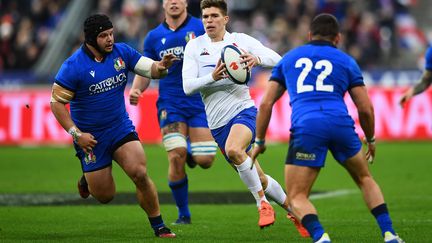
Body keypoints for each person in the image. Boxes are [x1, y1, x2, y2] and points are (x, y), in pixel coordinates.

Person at [251, 13, 404, 243]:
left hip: (307, 127)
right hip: (340, 124)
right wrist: (370, 139)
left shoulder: (290, 59)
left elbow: (265, 103)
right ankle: (390, 234)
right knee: (365, 178)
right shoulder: (346, 61)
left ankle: (321, 237)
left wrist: (260, 141)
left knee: (297, 196)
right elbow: (365, 108)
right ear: (338, 38)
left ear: (310, 35)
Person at [182, 0, 309, 235]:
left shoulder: (240, 41)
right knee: (258, 177)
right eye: (205, 16)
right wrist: (213, 76)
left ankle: (262, 204)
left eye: (213, 16)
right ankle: (295, 212)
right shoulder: (194, 47)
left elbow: (280, 61)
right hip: (217, 124)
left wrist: (257, 59)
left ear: (225, 19)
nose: (208, 21)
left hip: (244, 111)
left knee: (234, 150)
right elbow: (188, 87)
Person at [50, 14, 178, 238]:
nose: (110, 39)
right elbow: (56, 104)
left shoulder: (122, 52)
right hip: (90, 138)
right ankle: (86, 178)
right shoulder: (73, 66)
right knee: (105, 196)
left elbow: (150, 69)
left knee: (139, 173)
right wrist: (77, 135)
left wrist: (162, 66)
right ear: (91, 39)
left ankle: (158, 225)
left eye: (111, 34)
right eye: (103, 36)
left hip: (119, 127)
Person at [129, 0, 217, 225]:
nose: (174, 2)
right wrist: (138, 88)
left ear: (186, 2)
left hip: (200, 101)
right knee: (175, 156)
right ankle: (183, 214)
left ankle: (190, 150)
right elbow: (145, 68)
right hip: (171, 103)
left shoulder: (201, 27)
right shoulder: (153, 37)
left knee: (206, 160)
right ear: (163, 4)